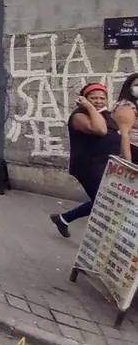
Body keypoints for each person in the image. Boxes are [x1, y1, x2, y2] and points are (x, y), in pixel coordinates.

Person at [50, 83, 122, 238]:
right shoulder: (79, 116)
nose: (98, 101)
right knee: (104, 201)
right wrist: (89, 107)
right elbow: (100, 130)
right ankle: (102, 239)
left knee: (104, 200)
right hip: (88, 167)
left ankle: (64, 219)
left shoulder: (104, 114)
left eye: (102, 98)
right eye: (93, 98)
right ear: (84, 98)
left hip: (105, 165)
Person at [112, 72, 138, 163]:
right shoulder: (126, 106)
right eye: (137, 85)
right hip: (133, 150)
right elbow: (124, 134)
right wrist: (128, 162)